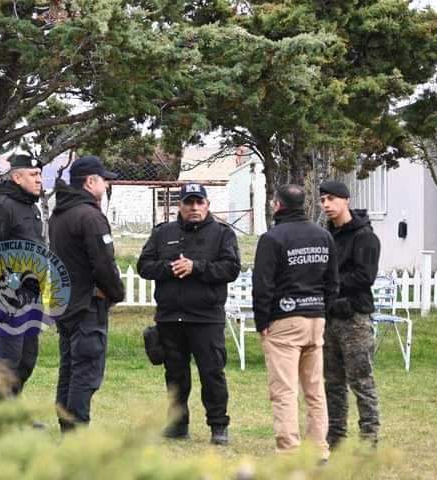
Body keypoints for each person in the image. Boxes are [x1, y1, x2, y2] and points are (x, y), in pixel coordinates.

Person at [137, 183, 240, 444]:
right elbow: (144, 266)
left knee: (212, 373)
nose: (194, 207)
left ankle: (218, 426)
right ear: (179, 206)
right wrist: (170, 268)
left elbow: (230, 268)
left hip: (206, 317)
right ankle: (178, 424)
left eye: (199, 202)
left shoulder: (222, 234)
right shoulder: (162, 233)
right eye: (188, 203)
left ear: (207, 204)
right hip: (170, 316)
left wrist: (196, 267)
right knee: (175, 375)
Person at [252, 184, 339, 459]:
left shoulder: (273, 238)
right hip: (316, 318)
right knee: (315, 391)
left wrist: (261, 321)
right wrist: (322, 310)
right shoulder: (324, 236)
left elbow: (262, 284)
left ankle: (289, 452)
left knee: (284, 391)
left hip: (284, 320)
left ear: (277, 205)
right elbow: (332, 282)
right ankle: (319, 450)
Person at [49, 155, 125, 432]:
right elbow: (103, 263)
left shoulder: (59, 214)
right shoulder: (90, 216)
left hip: (65, 302)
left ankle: (65, 423)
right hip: (87, 304)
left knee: (69, 368)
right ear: (91, 181)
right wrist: (117, 293)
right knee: (86, 370)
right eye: (103, 180)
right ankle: (77, 428)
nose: (106, 185)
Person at [319, 180, 381, 448]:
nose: (326, 205)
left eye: (331, 199)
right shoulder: (326, 235)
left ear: (346, 200)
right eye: (322, 200)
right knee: (332, 382)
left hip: (355, 317)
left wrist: (329, 283)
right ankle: (336, 436)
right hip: (330, 316)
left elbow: (364, 276)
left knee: (361, 380)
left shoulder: (364, 236)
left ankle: (369, 438)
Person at [0, 153, 43, 401]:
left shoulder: (32, 208)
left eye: (40, 175)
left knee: (27, 360)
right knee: (9, 360)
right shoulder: (2, 209)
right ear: (17, 177)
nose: (39, 180)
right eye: (33, 175)